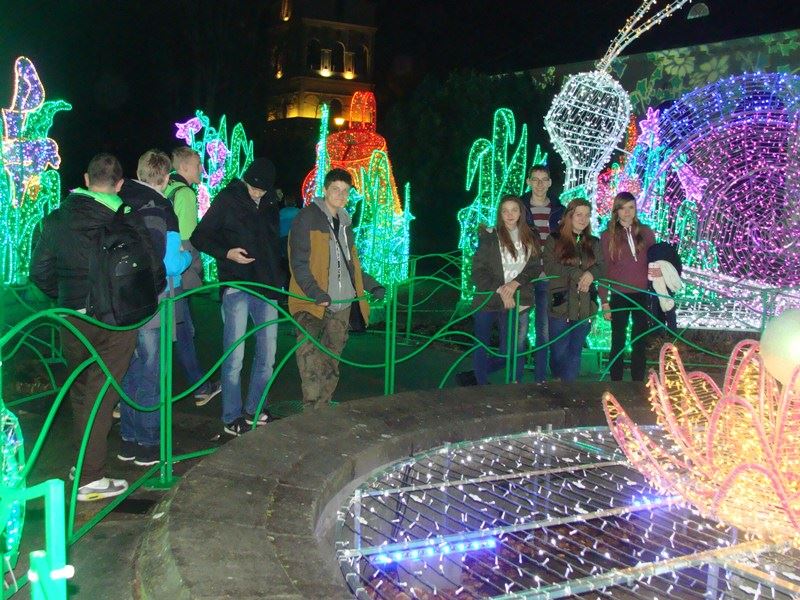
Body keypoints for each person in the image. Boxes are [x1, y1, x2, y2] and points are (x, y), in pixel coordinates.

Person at [30, 153, 165, 501]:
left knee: (81, 391)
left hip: (72, 320)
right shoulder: (126, 218)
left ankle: (81, 464)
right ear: (119, 184)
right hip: (113, 321)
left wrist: (66, 297)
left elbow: (39, 272)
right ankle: (90, 477)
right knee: (102, 396)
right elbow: (154, 269)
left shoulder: (56, 219)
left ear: (87, 180)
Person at [191, 158, 284, 436]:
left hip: (267, 285)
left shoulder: (270, 202)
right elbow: (200, 236)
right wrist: (227, 253)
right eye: (254, 188)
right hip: (237, 284)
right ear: (246, 180)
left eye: (263, 190)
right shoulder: (228, 199)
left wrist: (279, 278)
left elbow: (272, 243)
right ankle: (231, 416)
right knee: (234, 355)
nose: (257, 193)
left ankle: (255, 408)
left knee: (268, 353)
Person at [117, 150, 192, 467]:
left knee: (130, 370)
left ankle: (129, 438)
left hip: (122, 300)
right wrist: (188, 256)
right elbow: (171, 263)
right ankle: (149, 444)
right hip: (155, 300)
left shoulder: (119, 200)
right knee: (152, 372)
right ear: (165, 178)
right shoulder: (162, 209)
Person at [288, 168, 384, 409]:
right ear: (325, 190)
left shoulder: (345, 223)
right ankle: (312, 411)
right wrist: (315, 292)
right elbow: (298, 262)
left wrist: (371, 285)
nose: (341, 195)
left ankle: (324, 408)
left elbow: (350, 264)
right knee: (309, 359)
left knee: (332, 360)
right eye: (335, 189)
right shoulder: (307, 218)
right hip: (311, 303)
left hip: (341, 304)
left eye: (345, 191)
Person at [165, 146, 221, 406]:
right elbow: (188, 240)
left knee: (175, 330)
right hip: (177, 274)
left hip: (159, 275)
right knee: (183, 329)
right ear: (184, 167)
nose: (202, 169)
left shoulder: (165, 188)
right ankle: (200, 387)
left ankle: (199, 386)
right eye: (198, 165)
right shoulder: (185, 193)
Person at [471, 195, 541, 385]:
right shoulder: (490, 236)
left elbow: (534, 267)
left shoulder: (530, 236)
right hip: (488, 298)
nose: (510, 214)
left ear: (521, 212)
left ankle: (513, 384)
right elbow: (478, 271)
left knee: (511, 349)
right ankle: (480, 385)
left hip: (517, 298)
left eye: (514, 210)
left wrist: (515, 283)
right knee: (481, 343)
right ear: (500, 214)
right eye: (505, 211)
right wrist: (501, 290)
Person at [543, 198, 604, 382]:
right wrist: (577, 273)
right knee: (558, 351)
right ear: (569, 216)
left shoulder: (593, 242)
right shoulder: (554, 239)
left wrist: (591, 274)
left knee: (575, 351)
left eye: (587, 215)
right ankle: (557, 379)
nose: (583, 219)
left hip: (584, 305)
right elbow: (550, 266)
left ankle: (568, 390)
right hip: (560, 304)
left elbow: (602, 266)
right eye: (579, 214)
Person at [599, 192, 657, 382]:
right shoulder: (607, 236)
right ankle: (616, 382)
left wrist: (659, 271)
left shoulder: (646, 232)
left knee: (639, 340)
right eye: (623, 208)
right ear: (616, 210)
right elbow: (603, 270)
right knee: (618, 340)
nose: (627, 212)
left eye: (631, 207)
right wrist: (604, 301)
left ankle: (638, 382)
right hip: (619, 294)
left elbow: (656, 260)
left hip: (642, 294)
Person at [521, 164, 564, 382]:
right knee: (519, 332)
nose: (539, 184)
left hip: (548, 277)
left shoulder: (559, 211)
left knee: (544, 331)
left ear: (549, 183)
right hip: (524, 277)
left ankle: (540, 379)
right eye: (535, 179)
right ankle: (515, 380)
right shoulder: (520, 208)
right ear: (528, 181)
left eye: (543, 179)